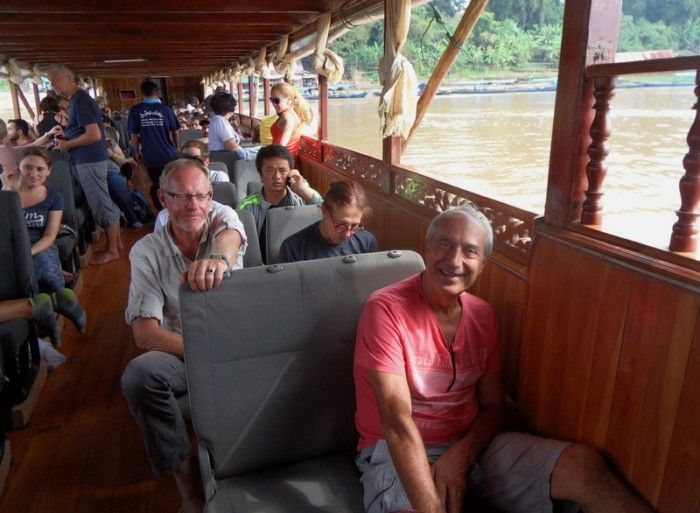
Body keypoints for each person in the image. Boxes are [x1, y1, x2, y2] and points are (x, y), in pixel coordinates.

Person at [353, 205, 655, 513]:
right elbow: (397, 421)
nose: (455, 260)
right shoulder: (385, 310)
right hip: (394, 451)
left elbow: (495, 408)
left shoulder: (483, 316)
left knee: (583, 465)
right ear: (427, 248)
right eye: (444, 244)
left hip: (470, 446)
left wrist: (463, 454)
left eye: (470, 251)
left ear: (482, 264)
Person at [120, 158, 246, 513]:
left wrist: (219, 260)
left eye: (201, 196)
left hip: (236, 342)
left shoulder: (222, 218)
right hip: (180, 349)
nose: (194, 205)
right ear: (162, 198)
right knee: (139, 376)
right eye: (181, 197)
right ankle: (188, 488)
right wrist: (204, 353)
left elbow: (231, 234)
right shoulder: (147, 252)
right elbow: (145, 334)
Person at [47, 63, 122, 265]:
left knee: (100, 203)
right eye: (50, 80)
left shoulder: (80, 101)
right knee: (103, 199)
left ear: (70, 79)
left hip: (88, 159)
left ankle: (113, 250)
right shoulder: (78, 100)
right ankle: (117, 243)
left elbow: (94, 134)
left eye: (55, 79)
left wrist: (67, 145)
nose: (53, 84)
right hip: (89, 158)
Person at [16, 147, 87, 346]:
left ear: (48, 171)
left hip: (40, 245)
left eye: (40, 169)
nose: (34, 174)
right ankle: (42, 320)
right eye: (28, 168)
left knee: (45, 273)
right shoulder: (6, 193)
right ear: (18, 168)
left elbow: (49, 236)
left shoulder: (53, 197)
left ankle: (63, 306)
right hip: (12, 249)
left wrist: (28, 253)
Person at [237, 144, 321, 262]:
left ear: (290, 173)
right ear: (261, 175)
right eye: (270, 170)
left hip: (297, 263)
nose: (277, 176)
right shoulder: (246, 207)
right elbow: (246, 251)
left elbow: (326, 214)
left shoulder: (301, 199)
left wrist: (303, 190)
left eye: (283, 171)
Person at [278, 179, 378, 263]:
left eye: (355, 226)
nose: (347, 234)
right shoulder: (293, 248)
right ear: (324, 210)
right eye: (341, 225)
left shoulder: (367, 242)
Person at [128, 80, 179, 210]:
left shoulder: (135, 110)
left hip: (150, 154)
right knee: (172, 182)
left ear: (142, 93)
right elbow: (175, 131)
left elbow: (133, 135)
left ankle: (161, 210)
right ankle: (173, 208)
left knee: (156, 182)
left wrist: (137, 152)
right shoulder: (166, 109)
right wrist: (176, 147)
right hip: (169, 153)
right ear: (157, 93)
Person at [269, 81, 312, 158]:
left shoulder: (287, 116)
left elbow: (281, 147)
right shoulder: (296, 114)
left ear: (289, 100)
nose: (273, 104)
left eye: (276, 101)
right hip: (287, 160)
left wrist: (275, 157)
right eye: (271, 100)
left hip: (280, 160)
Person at [207, 92, 246, 160]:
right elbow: (231, 146)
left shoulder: (216, 119)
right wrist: (246, 153)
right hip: (225, 158)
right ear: (231, 108)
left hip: (221, 157)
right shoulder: (220, 121)